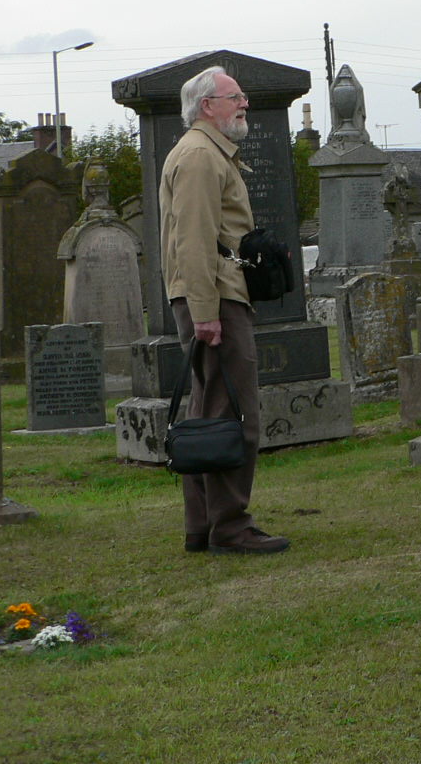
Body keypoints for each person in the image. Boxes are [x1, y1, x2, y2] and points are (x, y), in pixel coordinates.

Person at [160, 66, 289, 556]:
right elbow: (192, 241)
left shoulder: (209, 153)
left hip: (214, 294)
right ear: (207, 105)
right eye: (235, 97)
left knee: (208, 411)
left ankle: (205, 525)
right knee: (235, 415)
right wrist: (205, 312)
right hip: (214, 298)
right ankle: (230, 527)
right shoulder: (198, 156)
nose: (244, 104)